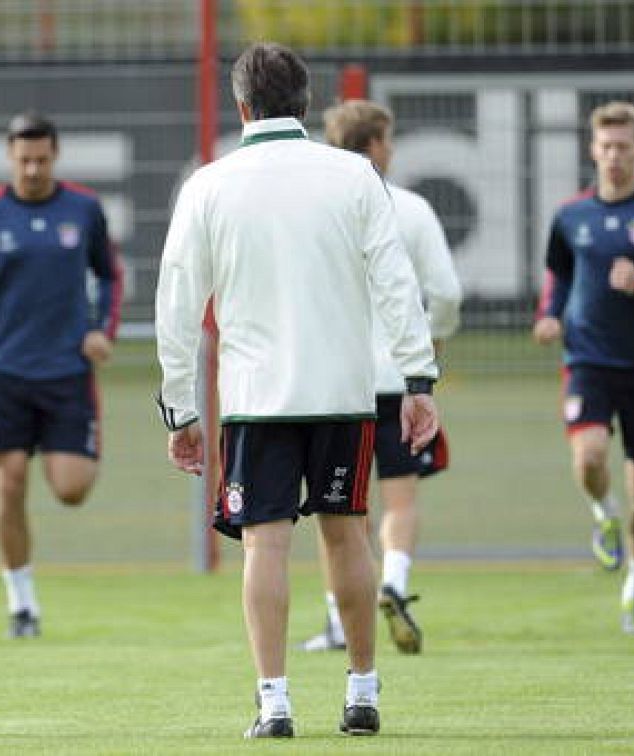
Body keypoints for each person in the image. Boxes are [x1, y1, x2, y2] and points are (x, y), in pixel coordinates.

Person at [155, 43, 439, 739]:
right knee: (348, 536)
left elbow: (177, 304)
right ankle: (362, 694)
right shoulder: (354, 175)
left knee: (264, 546)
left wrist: (180, 408)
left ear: (241, 106)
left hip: (256, 399)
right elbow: (396, 282)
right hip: (342, 391)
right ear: (306, 103)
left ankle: (275, 703)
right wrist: (417, 378)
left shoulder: (209, 184)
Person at [0, 110, 124, 639]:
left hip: (68, 372)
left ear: (55, 155)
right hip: (5, 371)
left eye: (42, 159)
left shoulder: (84, 209)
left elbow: (109, 275)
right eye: (24, 160)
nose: (33, 169)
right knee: (9, 481)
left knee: (71, 488)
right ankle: (22, 605)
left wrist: (102, 330)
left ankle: (72, 442)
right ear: (10, 157)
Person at [301, 100, 464, 655]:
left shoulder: (318, 211)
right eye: (387, 140)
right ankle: (392, 581)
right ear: (374, 145)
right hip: (397, 381)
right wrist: (433, 342)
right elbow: (446, 292)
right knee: (400, 498)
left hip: (335, 382)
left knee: (339, 508)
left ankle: (336, 618)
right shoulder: (411, 209)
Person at [532, 100, 634, 634]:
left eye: (623, 147)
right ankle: (604, 514)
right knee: (589, 459)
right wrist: (549, 314)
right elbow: (559, 274)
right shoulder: (571, 215)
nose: (614, 156)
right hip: (588, 359)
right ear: (593, 149)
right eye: (606, 146)